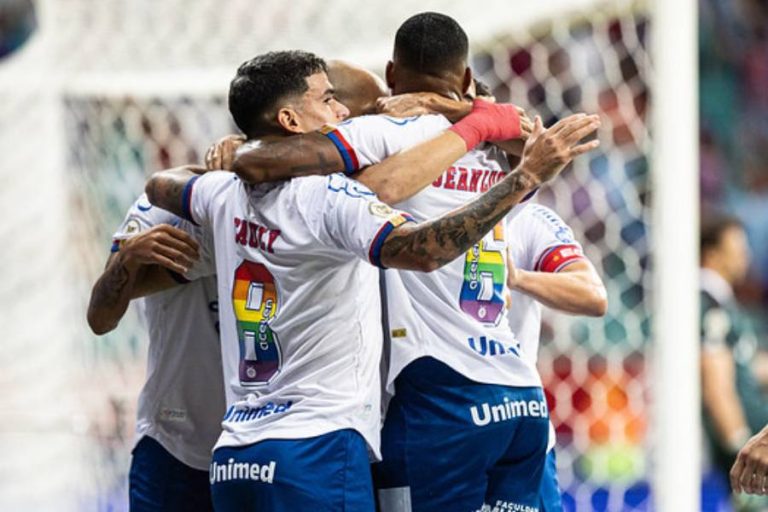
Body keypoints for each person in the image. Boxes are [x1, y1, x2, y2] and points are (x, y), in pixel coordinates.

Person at [144, 49, 586, 511]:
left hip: (237, 455)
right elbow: (424, 250)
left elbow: (162, 183)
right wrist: (520, 176)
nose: (343, 113)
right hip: (319, 445)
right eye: (329, 100)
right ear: (291, 119)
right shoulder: (332, 196)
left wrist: (235, 152)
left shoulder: (221, 192)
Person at [87, 198, 224, 512]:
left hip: (257, 439)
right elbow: (99, 319)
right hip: (172, 441)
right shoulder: (158, 207)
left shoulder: (288, 204)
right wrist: (128, 259)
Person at [505, 203, 607, 511]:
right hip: (434, 411)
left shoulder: (528, 217)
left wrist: (518, 278)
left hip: (516, 418)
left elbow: (593, 294)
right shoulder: (418, 207)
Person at [699, 214, 768, 505]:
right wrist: (739, 444)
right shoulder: (707, 301)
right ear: (712, 254)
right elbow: (717, 387)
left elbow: (747, 367)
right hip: (751, 458)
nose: (746, 256)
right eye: (737, 249)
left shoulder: (722, 303)